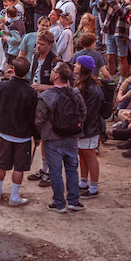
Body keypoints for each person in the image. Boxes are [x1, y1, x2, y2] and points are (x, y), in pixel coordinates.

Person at [35, 63, 87, 213]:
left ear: (56, 75)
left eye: (53, 71)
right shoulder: (75, 93)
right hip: (72, 137)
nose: (51, 72)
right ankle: (73, 201)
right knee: (72, 169)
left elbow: (39, 119)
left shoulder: (46, 95)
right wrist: (75, 127)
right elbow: (83, 113)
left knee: (55, 171)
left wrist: (44, 133)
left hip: (53, 138)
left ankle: (59, 203)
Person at [0, 57, 39, 207]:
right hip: (23, 136)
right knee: (19, 167)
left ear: (13, 69)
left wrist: (5, 78)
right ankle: (14, 196)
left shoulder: (3, 86)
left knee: (2, 162)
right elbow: (33, 116)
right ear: (28, 72)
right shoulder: (31, 92)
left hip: (4, 132)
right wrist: (37, 136)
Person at [74, 56, 105, 197]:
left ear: (84, 68)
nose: (75, 65)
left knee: (90, 155)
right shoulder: (81, 84)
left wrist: (80, 125)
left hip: (90, 128)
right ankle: (83, 181)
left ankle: (94, 187)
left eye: (78, 64)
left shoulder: (93, 89)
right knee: (82, 153)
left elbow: (90, 112)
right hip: (83, 127)